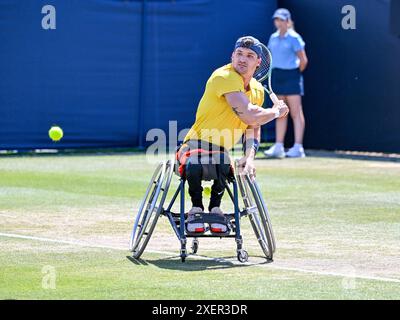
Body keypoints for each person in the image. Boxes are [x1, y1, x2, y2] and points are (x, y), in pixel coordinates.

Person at [177, 36, 289, 233]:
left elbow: (253, 125)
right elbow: (249, 114)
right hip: (194, 144)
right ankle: (196, 208)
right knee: (195, 163)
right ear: (232, 55)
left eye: (249, 56)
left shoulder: (256, 90)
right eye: (239, 54)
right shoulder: (224, 76)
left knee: (222, 160)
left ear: (258, 62)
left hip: (221, 152)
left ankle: (215, 210)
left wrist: (249, 157)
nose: (242, 59)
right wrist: (276, 112)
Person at [264, 8, 308, 158]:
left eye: (282, 19)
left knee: (295, 112)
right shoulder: (273, 37)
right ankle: (279, 146)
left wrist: (294, 74)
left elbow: (303, 61)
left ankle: (298, 147)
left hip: (292, 76)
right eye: (277, 19)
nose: (279, 22)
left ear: (288, 21)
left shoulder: (294, 38)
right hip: (277, 76)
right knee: (280, 112)